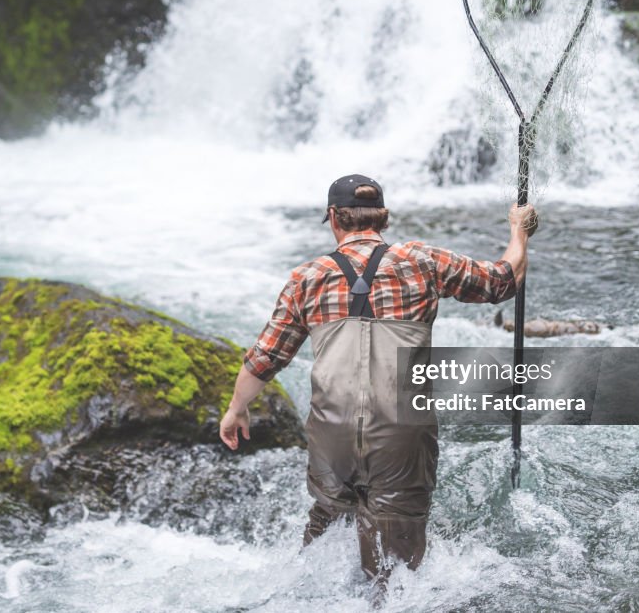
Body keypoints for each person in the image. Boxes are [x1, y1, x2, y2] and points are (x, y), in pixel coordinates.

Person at [219, 174, 536, 587]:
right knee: (396, 569)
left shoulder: (306, 278)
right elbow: (502, 280)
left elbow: (265, 358)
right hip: (400, 431)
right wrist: (519, 230)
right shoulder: (422, 261)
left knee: (326, 540)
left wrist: (236, 408)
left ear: (334, 217)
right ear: (382, 219)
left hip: (331, 433)